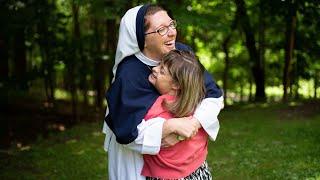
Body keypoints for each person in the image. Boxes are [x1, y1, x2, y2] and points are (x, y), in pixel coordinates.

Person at [102, 4, 224, 180]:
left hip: (185, 163)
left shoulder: (182, 54)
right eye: (161, 29)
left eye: (172, 25)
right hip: (136, 163)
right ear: (141, 38)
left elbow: (213, 95)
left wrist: (193, 123)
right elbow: (126, 131)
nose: (172, 32)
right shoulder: (128, 75)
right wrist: (169, 127)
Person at [142, 50, 212, 179]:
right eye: (159, 64)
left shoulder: (156, 106)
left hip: (166, 175)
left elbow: (138, 133)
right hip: (199, 168)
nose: (154, 68)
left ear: (176, 84)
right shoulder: (196, 103)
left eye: (162, 71)